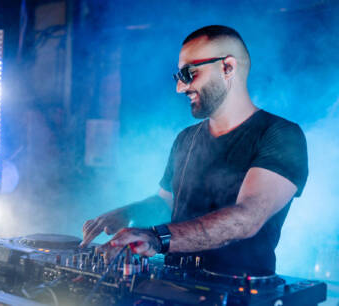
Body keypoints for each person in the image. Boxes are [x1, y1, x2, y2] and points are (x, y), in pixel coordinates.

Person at [80, 25, 308, 276]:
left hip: (236, 294)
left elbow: (247, 218)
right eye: (179, 76)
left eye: (190, 73)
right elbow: (166, 203)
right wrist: (128, 213)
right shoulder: (186, 139)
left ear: (227, 67)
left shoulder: (280, 134)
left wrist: (157, 237)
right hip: (174, 287)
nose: (181, 87)